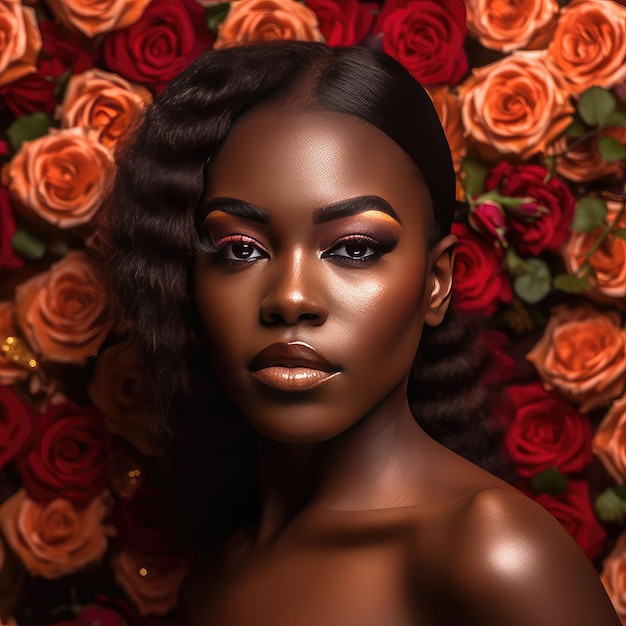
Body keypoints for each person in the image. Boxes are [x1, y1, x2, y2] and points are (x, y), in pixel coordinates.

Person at [97, 42, 621, 625]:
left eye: (354, 248)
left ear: (437, 283)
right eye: (241, 249)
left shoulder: (492, 553)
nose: (290, 297)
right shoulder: (217, 573)